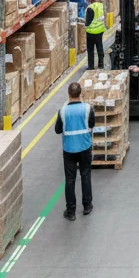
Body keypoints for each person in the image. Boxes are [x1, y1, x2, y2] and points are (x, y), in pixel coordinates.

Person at [54, 81, 95, 221]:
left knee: (70, 180)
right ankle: (87, 206)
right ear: (80, 93)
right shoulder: (88, 108)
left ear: (68, 94)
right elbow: (92, 124)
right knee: (85, 175)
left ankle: (71, 211)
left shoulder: (63, 111)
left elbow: (57, 130)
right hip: (85, 147)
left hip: (69, 149)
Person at [84, 0, 105, 70]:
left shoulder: (90, 8)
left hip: (91, 31)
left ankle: (91, 66)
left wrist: (85, 24)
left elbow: (88, 22)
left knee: (90, 49)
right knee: (100, 47)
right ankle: (101, 64)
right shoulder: (100, 5)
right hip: (100, 29)